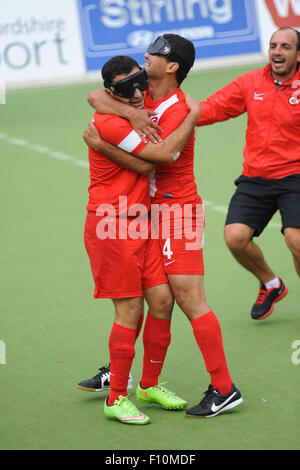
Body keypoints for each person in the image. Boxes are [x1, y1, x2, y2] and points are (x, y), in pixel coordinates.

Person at [83, 34, 243, 418]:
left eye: (154, 55)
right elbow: (96, 95)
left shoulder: (176, 108)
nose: (146, 57)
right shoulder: (143, 97)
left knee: (189, 299)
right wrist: (134, 113)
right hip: (143, 213)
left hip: (176, 212)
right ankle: (132, 378)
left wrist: (193, 115)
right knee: (157, 299)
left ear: (172, 67)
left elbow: (165, 153)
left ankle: (224, 388)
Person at [79, 54, 201, 425]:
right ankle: (116, 397)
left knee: (162, 301)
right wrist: (103, 143)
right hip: (111, 224)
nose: (135, 92)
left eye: (139, 82)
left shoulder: (131, 107)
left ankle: (148, 385)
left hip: (142, 222)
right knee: (130, 311)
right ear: (111, 91)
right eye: (124, 89)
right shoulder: (110, 124)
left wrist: (133, 111)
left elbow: (95, 95)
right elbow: (155, 160)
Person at [195, 27, 300, 320]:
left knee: (296, 239)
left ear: (298, 54)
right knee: (235, 237)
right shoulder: (251, 82)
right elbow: (212, 108)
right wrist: (174, 118)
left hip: (295, 175)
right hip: (255, 177)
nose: (277, 52)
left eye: (286, 47)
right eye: (273, 45)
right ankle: (271, 284)